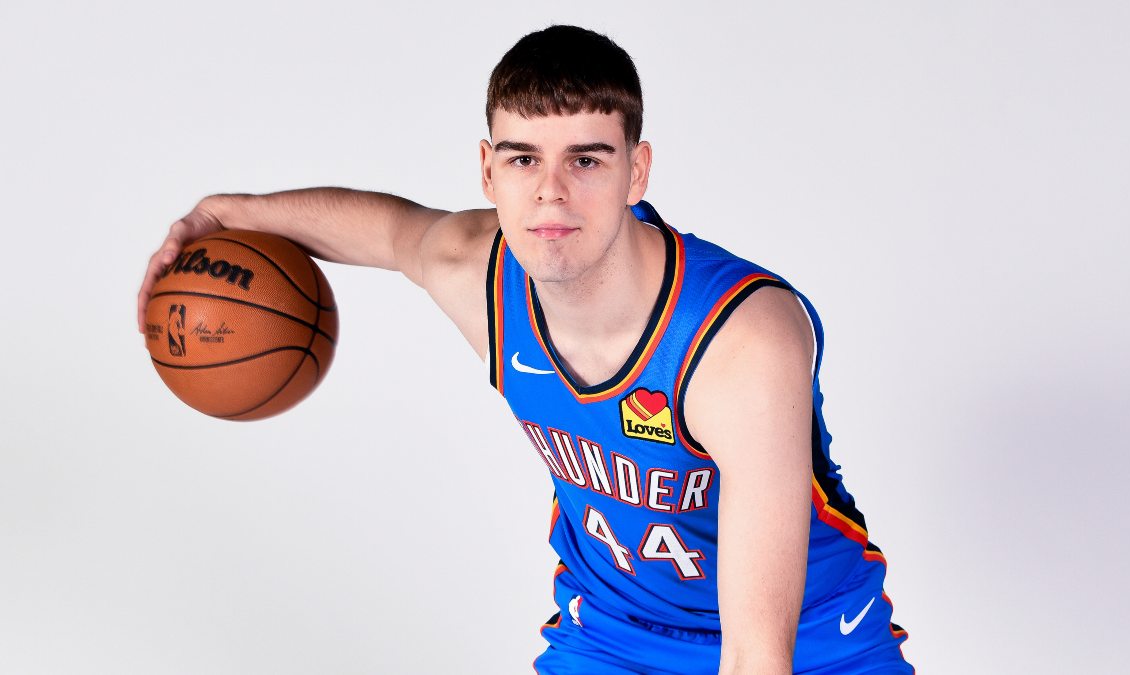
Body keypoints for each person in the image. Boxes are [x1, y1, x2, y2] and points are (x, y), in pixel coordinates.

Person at [137, 25, 912, 675]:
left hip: (811, 642)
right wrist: (223, 212)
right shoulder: (478, 273)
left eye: (586, 159)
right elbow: (389, 232)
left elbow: (755, 655)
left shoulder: (739, 341)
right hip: (608, 632)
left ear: (636, 171)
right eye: (522, 158)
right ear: (488, 170)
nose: (550, 191)